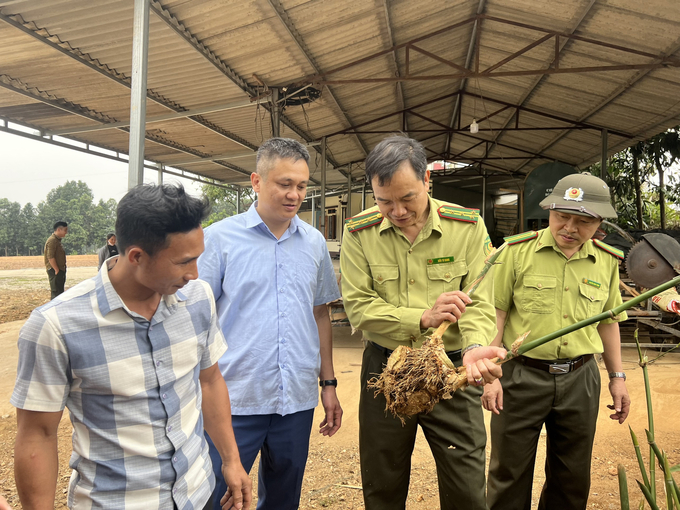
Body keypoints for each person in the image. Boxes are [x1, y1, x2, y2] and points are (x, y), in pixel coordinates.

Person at [12, 184, 251, 510]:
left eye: (198, 259)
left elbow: (209, 382)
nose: (194, 274)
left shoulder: (198, 299)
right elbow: (37, 434)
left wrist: (231, 460)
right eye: (184, 262)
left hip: (198, 492)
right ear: (136, 256)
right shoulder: (56, 326)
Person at [339, 135, 506, 510]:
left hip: (452, 370)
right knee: (383, 481)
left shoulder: (466, 227)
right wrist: (422, 318)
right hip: (387, 371)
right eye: (384, 201)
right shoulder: (359, 233)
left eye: (407, 198)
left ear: (427, 181)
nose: (396, 211)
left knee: (465, 486)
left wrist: (476, 346)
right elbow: (359, 307)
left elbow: (479, 300)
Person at [198, 138, 343, 510]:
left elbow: (319, 313)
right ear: (257, 182)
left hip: (294, 400)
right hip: (234, 398)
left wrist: (328, 384)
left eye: (301, 185)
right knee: (218, 496)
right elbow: (197, 318)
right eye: (284, 184)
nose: (294, 195)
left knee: (283, 498)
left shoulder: (313, 243)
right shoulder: (219, 240)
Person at [483, 172, 630, 510]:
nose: (569, 227)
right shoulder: (516, 252)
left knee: (572, 476)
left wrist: (617, 378)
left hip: (581, 379)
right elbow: (497, 314)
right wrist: (491, 377)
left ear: (599, 222)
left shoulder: (606, 260)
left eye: (582, 221)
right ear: (549, 211)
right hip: (519, 377)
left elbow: (609, 323)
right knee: (508, 472)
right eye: (562, 216)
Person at [44, 221, 68, 299]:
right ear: (58, 230)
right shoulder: (52, 240)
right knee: (56, 293)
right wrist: (56, 270)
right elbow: (50, 257)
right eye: (65, 230)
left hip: (59, 269)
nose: (66, 233)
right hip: (55, 270)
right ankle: (54, 310)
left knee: (60, 292)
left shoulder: (57, 240)